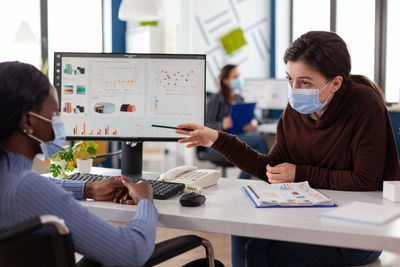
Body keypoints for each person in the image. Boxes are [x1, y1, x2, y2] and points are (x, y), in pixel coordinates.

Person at [176, 31, 400, 267]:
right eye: (290, 80)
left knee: (255, 251)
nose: (294, 90)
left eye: (304, 82)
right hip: (310, 219)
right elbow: (271, 170)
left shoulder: (364, 104)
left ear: (335, 83)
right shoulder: (297, 109)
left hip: (358, 233)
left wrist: (299, 174)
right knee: (243, 234)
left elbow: (366, 179)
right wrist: (217, 139)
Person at [0, 61, 158, 267]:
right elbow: (132, 252)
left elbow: (34, 189)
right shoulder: (24, 188)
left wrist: (89, 188)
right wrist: (146, 200)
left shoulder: (11, 179)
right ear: (27, 122)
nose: (58, 122)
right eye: (54, 114)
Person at [206, 64, 268, 179]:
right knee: (258, 140)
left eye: (239, 76)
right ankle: (268, 174)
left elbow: (255, 117)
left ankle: (258, 176)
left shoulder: (239, 98)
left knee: (253, 152)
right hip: (217, 142)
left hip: (237, 136)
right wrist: (221, 125)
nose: (238, 79)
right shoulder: (216, 99)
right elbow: (205, 124)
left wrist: (254, 122)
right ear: (225, 80)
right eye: (235, 77)